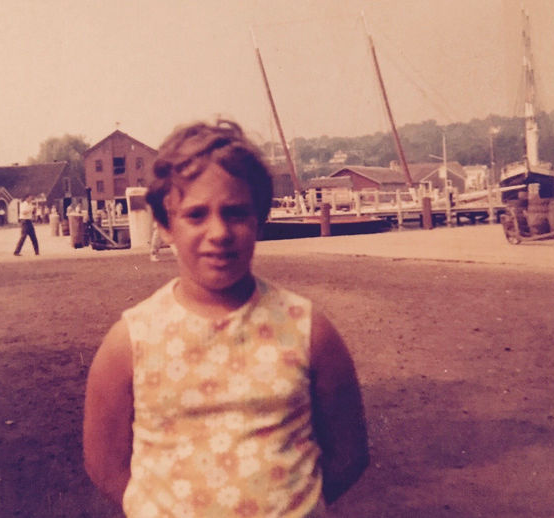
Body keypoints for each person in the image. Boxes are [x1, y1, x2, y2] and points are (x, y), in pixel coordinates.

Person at [83, 120, 369, 517]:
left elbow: (349, 454)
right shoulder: (129, 342)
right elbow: (105, 465)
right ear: (166, 226)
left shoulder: (308, 330)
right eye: (196, 215)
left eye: (235, 213)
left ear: (259, 219)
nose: (219, 232)